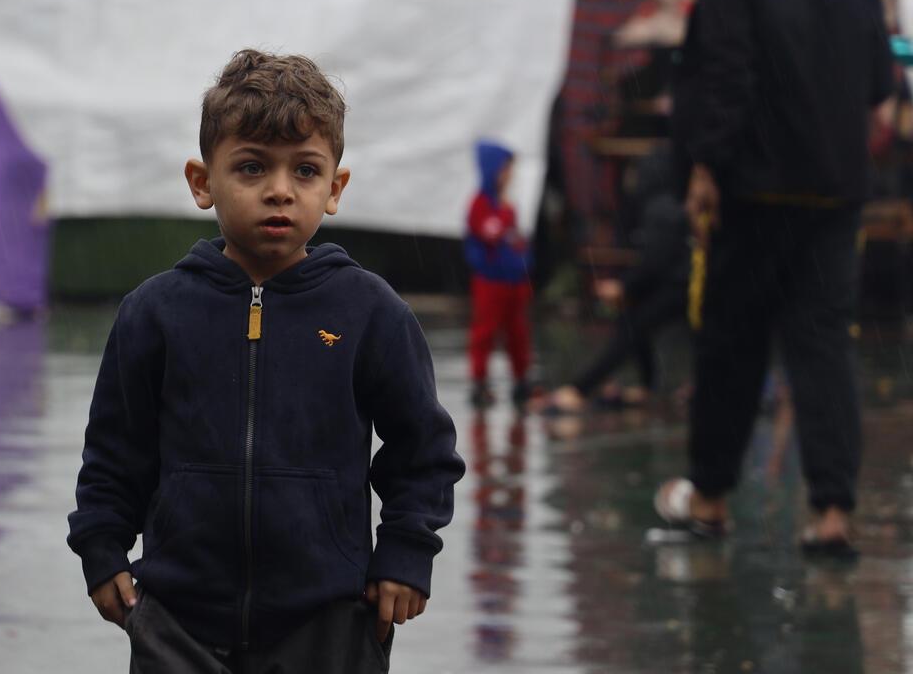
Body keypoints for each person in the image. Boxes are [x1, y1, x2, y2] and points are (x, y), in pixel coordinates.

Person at [67, 49, 463, 672]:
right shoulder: (156, 312)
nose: (280, 190)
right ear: (203, 182)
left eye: (305, 171)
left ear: (334, 188)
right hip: (177, 616)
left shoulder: (370, 313)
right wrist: (101, 547)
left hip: (331, 617)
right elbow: (116, 450)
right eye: (251, 168)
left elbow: (424, 451)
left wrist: (407, 554)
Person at [655, 0, 896, 557]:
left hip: (751, 192)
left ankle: (712, 498)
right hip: (835, 196)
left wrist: (704, 168)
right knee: (823, 350)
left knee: (733, 345)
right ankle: (831, 515)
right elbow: (880, 85)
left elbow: (726, 79)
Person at [544, 145, 689, 414]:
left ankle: (580, 388)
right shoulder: (666, 203)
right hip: (679, 284)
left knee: (634, 327)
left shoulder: (662, 208)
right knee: (634, 321)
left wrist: (624, 285)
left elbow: (657, 261)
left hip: (683, 286)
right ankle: (645, 385)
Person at [465, 141, 534, 409]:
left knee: (518, 332)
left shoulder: (506, 205)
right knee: (485, 331)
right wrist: (505, 215)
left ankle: (521, 379)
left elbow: (514, 239)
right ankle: (479, 382)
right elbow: (490, 233)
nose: (509, 174)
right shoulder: (481, 204)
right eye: (505, 168)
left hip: (513, 281)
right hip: (490, 281)